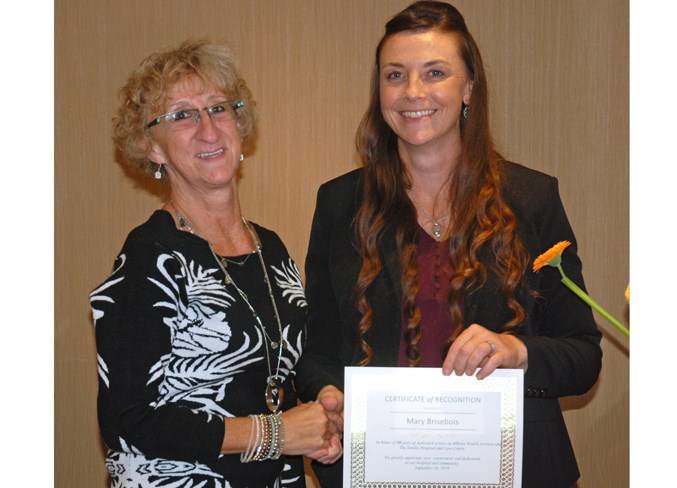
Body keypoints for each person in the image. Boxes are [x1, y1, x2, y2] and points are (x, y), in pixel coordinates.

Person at [295, 2, 602, 487]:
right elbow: (318, 352)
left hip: (518, 470)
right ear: (379, 91)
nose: (412, 92)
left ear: (469, 88)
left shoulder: (532, 199)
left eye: (435, 72)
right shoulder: (339, 204)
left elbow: (583, 356)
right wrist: (330, 395)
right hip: (380, 468)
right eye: (395, 75)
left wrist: (515, 350)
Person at [89, 38, 342, 488]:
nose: (208, 129)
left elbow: (289, 360)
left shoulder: (271, 248)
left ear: (240, 125)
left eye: (219, 108)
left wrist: (323, 404)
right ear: (153, 148)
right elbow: (128, 418)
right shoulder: (150, 258)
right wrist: (277, 433)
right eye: (182, 115)